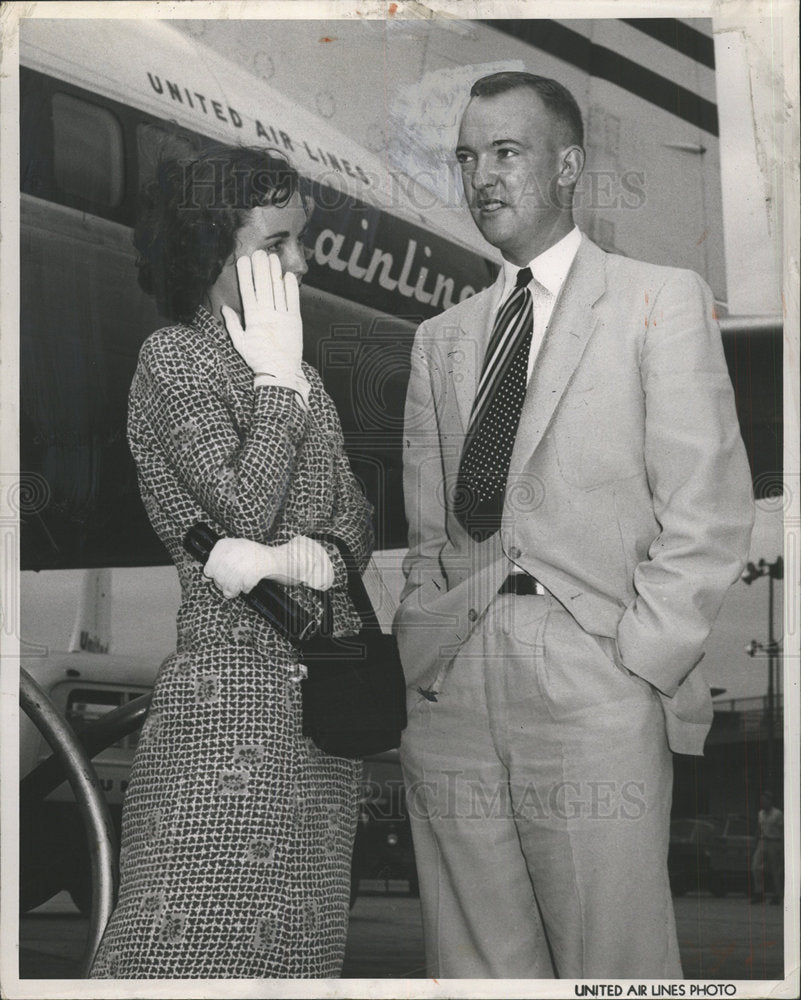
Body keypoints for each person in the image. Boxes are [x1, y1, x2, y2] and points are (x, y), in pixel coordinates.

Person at [394, 71, 754, 979]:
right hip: (455, 683)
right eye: (468, 157)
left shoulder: (656, 299)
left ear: (568, 166)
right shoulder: (439, 338)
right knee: (473, 969)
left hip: (595, 670)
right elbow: (429, 529)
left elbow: (706, 504)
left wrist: (638, 662)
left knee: (614, 964)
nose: (483, 176)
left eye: (506, 153)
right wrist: (425, 651)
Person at [90, 142, 373, 978]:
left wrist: (304, 560)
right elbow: (238, 507)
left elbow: (354, 519)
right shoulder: (173, 359)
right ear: (211, 249)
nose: (301, 260)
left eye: (301, 239)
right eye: (275, 243)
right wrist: (277, 392)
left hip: (324, 708)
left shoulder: (309, 377)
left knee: (301, 949)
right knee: (188, 943)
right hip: (228, 703)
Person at [751, 791, 784, 904]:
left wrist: (783, 847)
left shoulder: (778, 814)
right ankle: (759, 893)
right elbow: (759, 828)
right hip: (762, 841)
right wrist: (755, 842)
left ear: (770, 801)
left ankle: (777, 895)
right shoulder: (760, 813)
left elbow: (782, 830)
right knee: (756, 867)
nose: (763, 803)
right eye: (761, 801)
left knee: (776, 870)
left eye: (765, 800)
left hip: (774, 842)